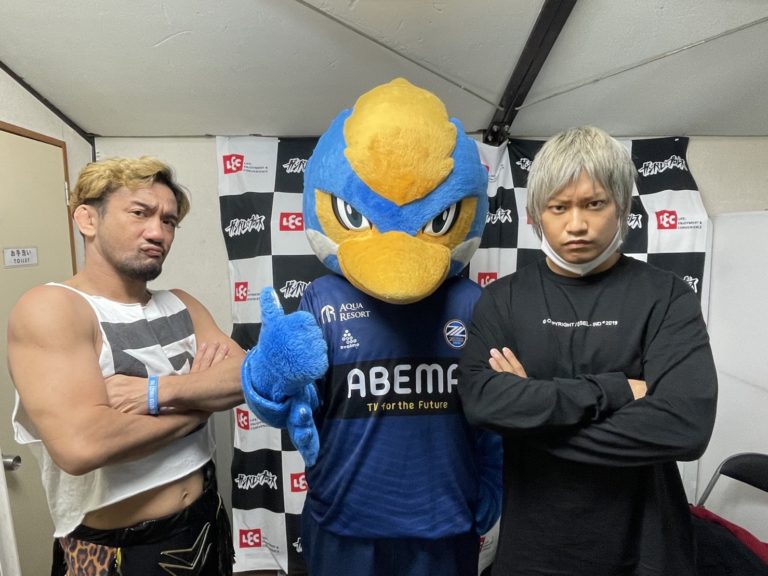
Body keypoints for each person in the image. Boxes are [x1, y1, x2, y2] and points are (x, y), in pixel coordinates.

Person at [458, 126, 718, 576]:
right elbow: (483, 403)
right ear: (536, 215)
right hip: (534, 550)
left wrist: (531, 418)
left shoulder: (667, 296)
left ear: (622, 208)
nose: (576, 224)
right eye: (559, 207)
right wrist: (617, 390)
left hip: (646, 550)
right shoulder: (502, 299)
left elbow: (685, 427)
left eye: (594, 204)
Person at [8, 156, 245, 575]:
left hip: (205, 521)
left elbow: (247, 377)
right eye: (140, 213)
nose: (158, 232)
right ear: (87, 219)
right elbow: (82, 446)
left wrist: (157, 393)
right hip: (118, 551)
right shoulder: (55, 307)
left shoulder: (182, 304)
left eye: (168, 221)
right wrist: (203, 404)